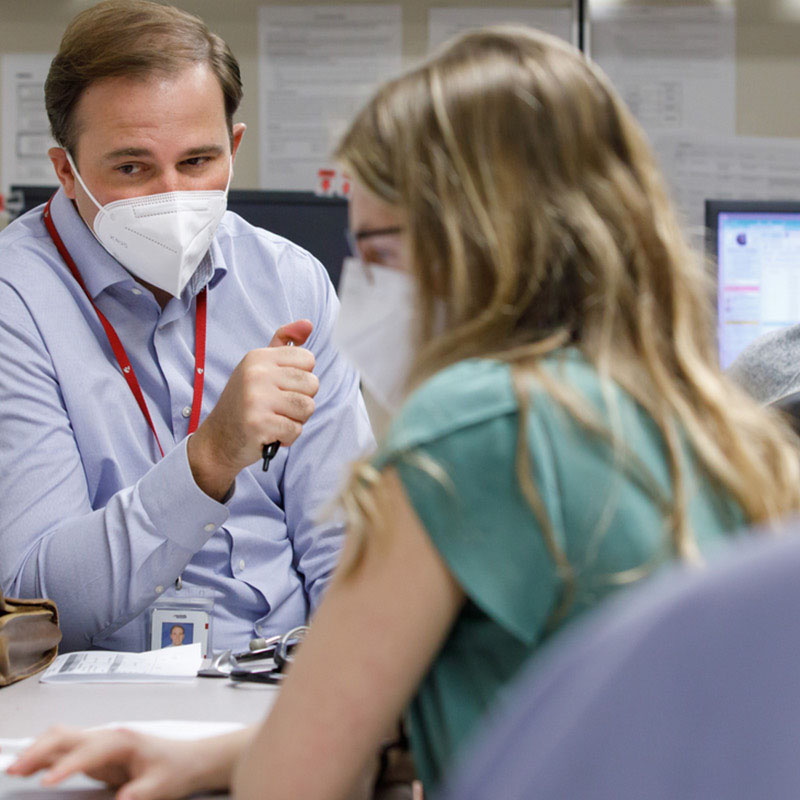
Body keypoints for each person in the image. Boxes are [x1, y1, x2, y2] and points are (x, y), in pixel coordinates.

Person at [8, 25, 800, 800]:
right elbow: (522, 698)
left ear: (480, 241)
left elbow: (295, 782)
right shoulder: (712, 428)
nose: (364, 290)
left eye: (381, 252)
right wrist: (216, 756)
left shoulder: (460, 436)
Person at [0, 0, 373, 653]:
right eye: (132, 168)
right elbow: (37, 608)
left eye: (198, 162)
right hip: (100, 702)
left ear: (233, 147)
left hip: (280, 671)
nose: (171, 196)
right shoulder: (15, 301)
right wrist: (208, 458)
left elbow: (343, 546)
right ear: (66, 171)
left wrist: (338, 694)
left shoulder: (289, 281)